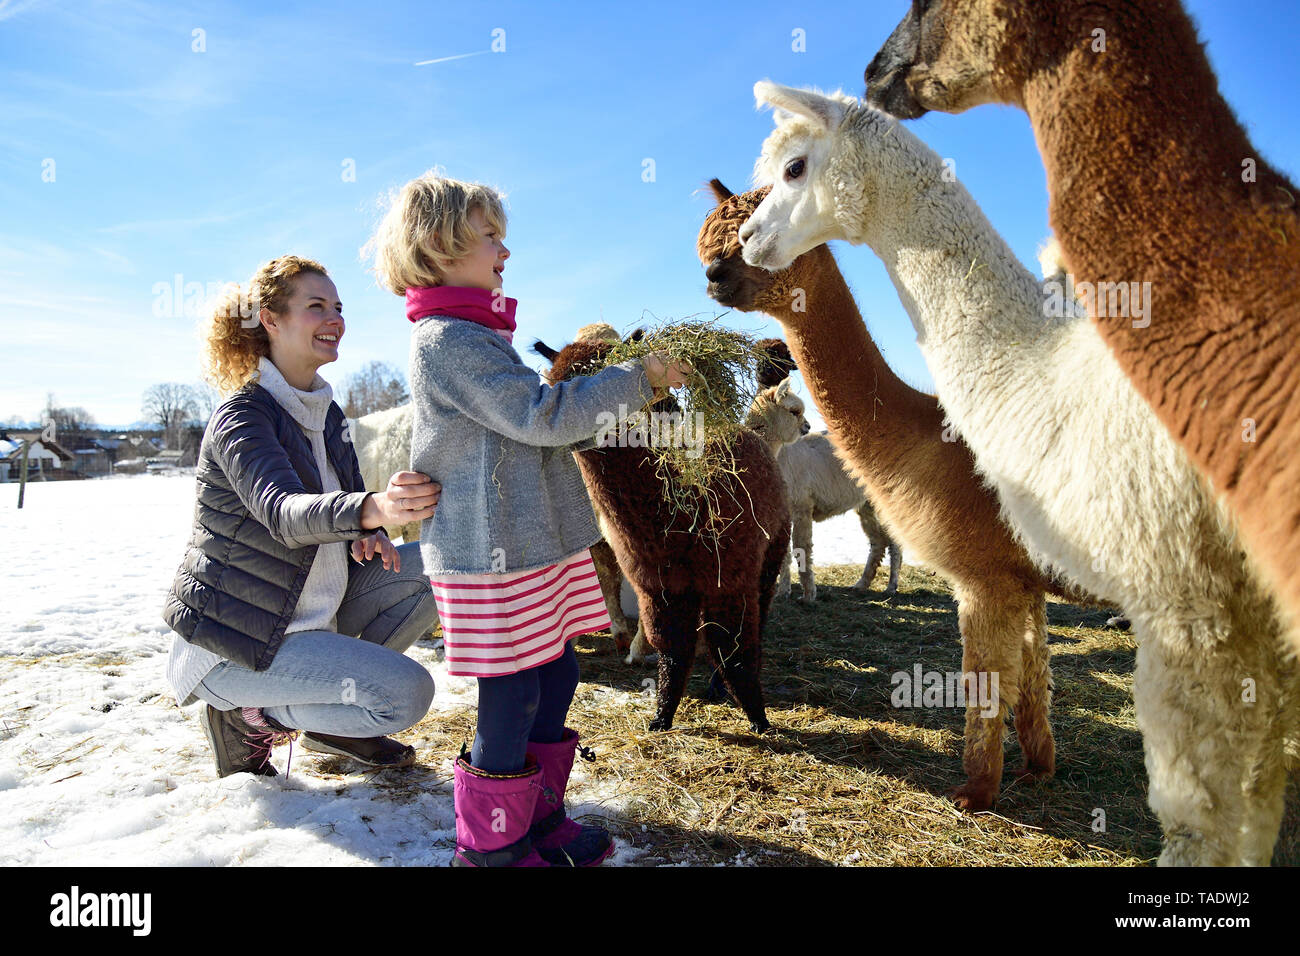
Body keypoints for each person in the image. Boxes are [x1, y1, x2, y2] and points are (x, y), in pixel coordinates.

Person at [366, 173, 689, 866]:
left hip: (526, 542)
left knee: (558, 674)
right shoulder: (447, 339)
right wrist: (640, 378)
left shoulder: (479, 333)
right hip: (491, 551)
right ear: (437, 243)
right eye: (489, 236)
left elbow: (526, 430)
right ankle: (489, 847)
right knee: (511, 693)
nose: (504, 250)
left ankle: (536, 818)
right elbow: (536, 417)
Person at [163, 254, 442, 779]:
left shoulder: (326, 413)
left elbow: (341, 509)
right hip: (238, 642)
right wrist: (371, 508)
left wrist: (369, 534)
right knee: (406, 694)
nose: (335, 319)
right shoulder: (242, 415)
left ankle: (334, 719)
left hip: (313, 615)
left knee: (441, 564)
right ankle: (248, 716)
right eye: (316, 306)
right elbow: (284, 513)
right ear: (270, 319)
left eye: (338, 307)